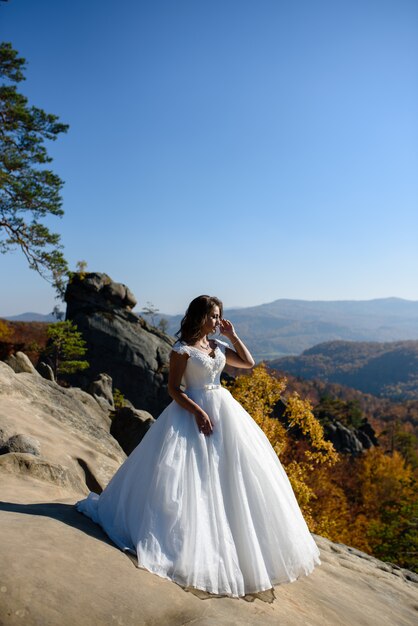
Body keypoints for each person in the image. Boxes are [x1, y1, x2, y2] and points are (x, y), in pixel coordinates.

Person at [76, 295, 321, 598]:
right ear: (200, 317)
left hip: (225, 412)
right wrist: (198, 411)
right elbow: (173, 389)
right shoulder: (182, 350)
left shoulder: (217, 346)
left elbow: (247, 362)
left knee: (231, 476)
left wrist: (231, 334)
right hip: (192, 414)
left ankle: (240, 548)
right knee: (192, 479)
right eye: (214, 316)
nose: (218, 321)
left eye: (220, 316)